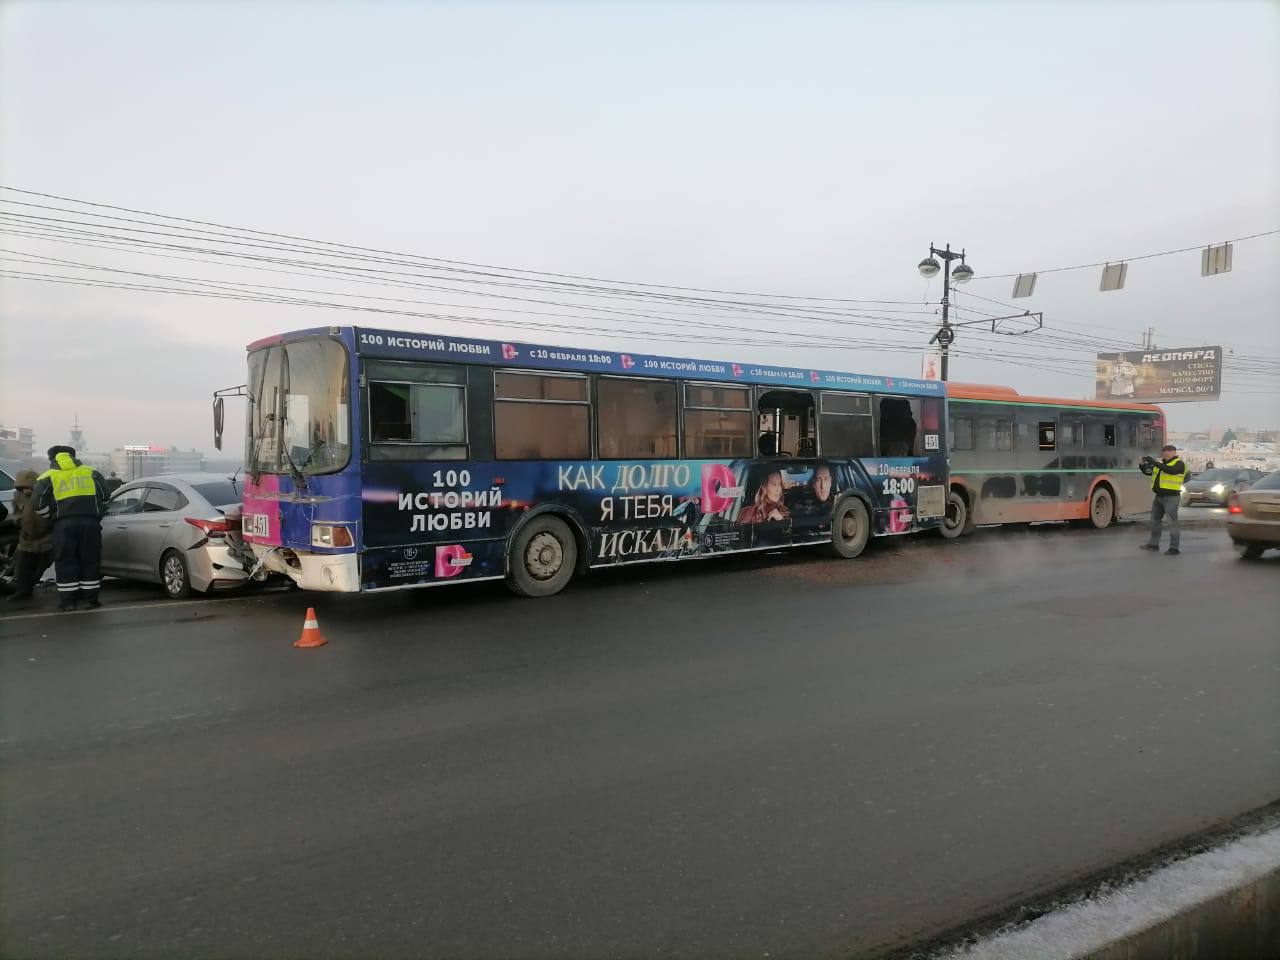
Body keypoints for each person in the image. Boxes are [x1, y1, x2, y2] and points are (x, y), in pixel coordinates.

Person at [34, 445, 109, 610]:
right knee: (90, 559)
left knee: (66, 560)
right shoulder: (91, 472)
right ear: (74, 456)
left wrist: (52, 517)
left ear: (52, 459)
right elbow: (105, 497)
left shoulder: (48, 476)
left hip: (63, 525)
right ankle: (90, 600)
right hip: (90, 523)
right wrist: (96, 513)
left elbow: (38, 505)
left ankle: (68, 602)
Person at [7, 470, 55, 603]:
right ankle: (22, 591)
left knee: (40, 567)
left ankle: (30, 586)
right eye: (22, 489)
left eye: (27, 488)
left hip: (47, 539)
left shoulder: (45, 495)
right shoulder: (17, 497)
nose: (26, 492)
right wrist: (18, 520)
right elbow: (16, 513)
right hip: (27, 538)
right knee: (22, 567)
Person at [1139, 444, 1187, 555]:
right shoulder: (1161, 464)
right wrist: (1142, 465)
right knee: (1154, 521)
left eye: (1168, 451)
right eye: (1164, 451)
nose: (1165, 453)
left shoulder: (1179, 464)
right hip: (1159, 497)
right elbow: (1149, 472)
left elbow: (1171, 470)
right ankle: (1153, 544)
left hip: (1171, 498)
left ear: (1174, 452)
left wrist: (1155, 462)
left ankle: (1174, 548)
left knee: (1172, 523)